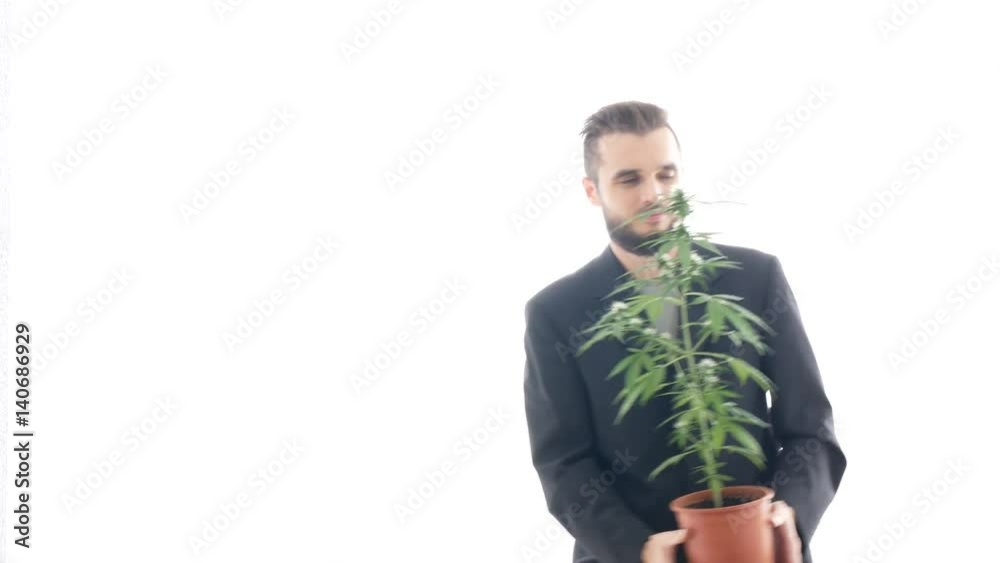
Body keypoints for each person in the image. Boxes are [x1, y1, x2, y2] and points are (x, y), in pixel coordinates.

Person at [522, 101, 846, 563]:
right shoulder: (557, 312)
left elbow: (811, 429)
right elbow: (563, 465)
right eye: (629, 178)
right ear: (592, 191)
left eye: (666, 175)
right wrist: (638, 549)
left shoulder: (755, 279)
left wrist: (786, 519)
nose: (654, 193)